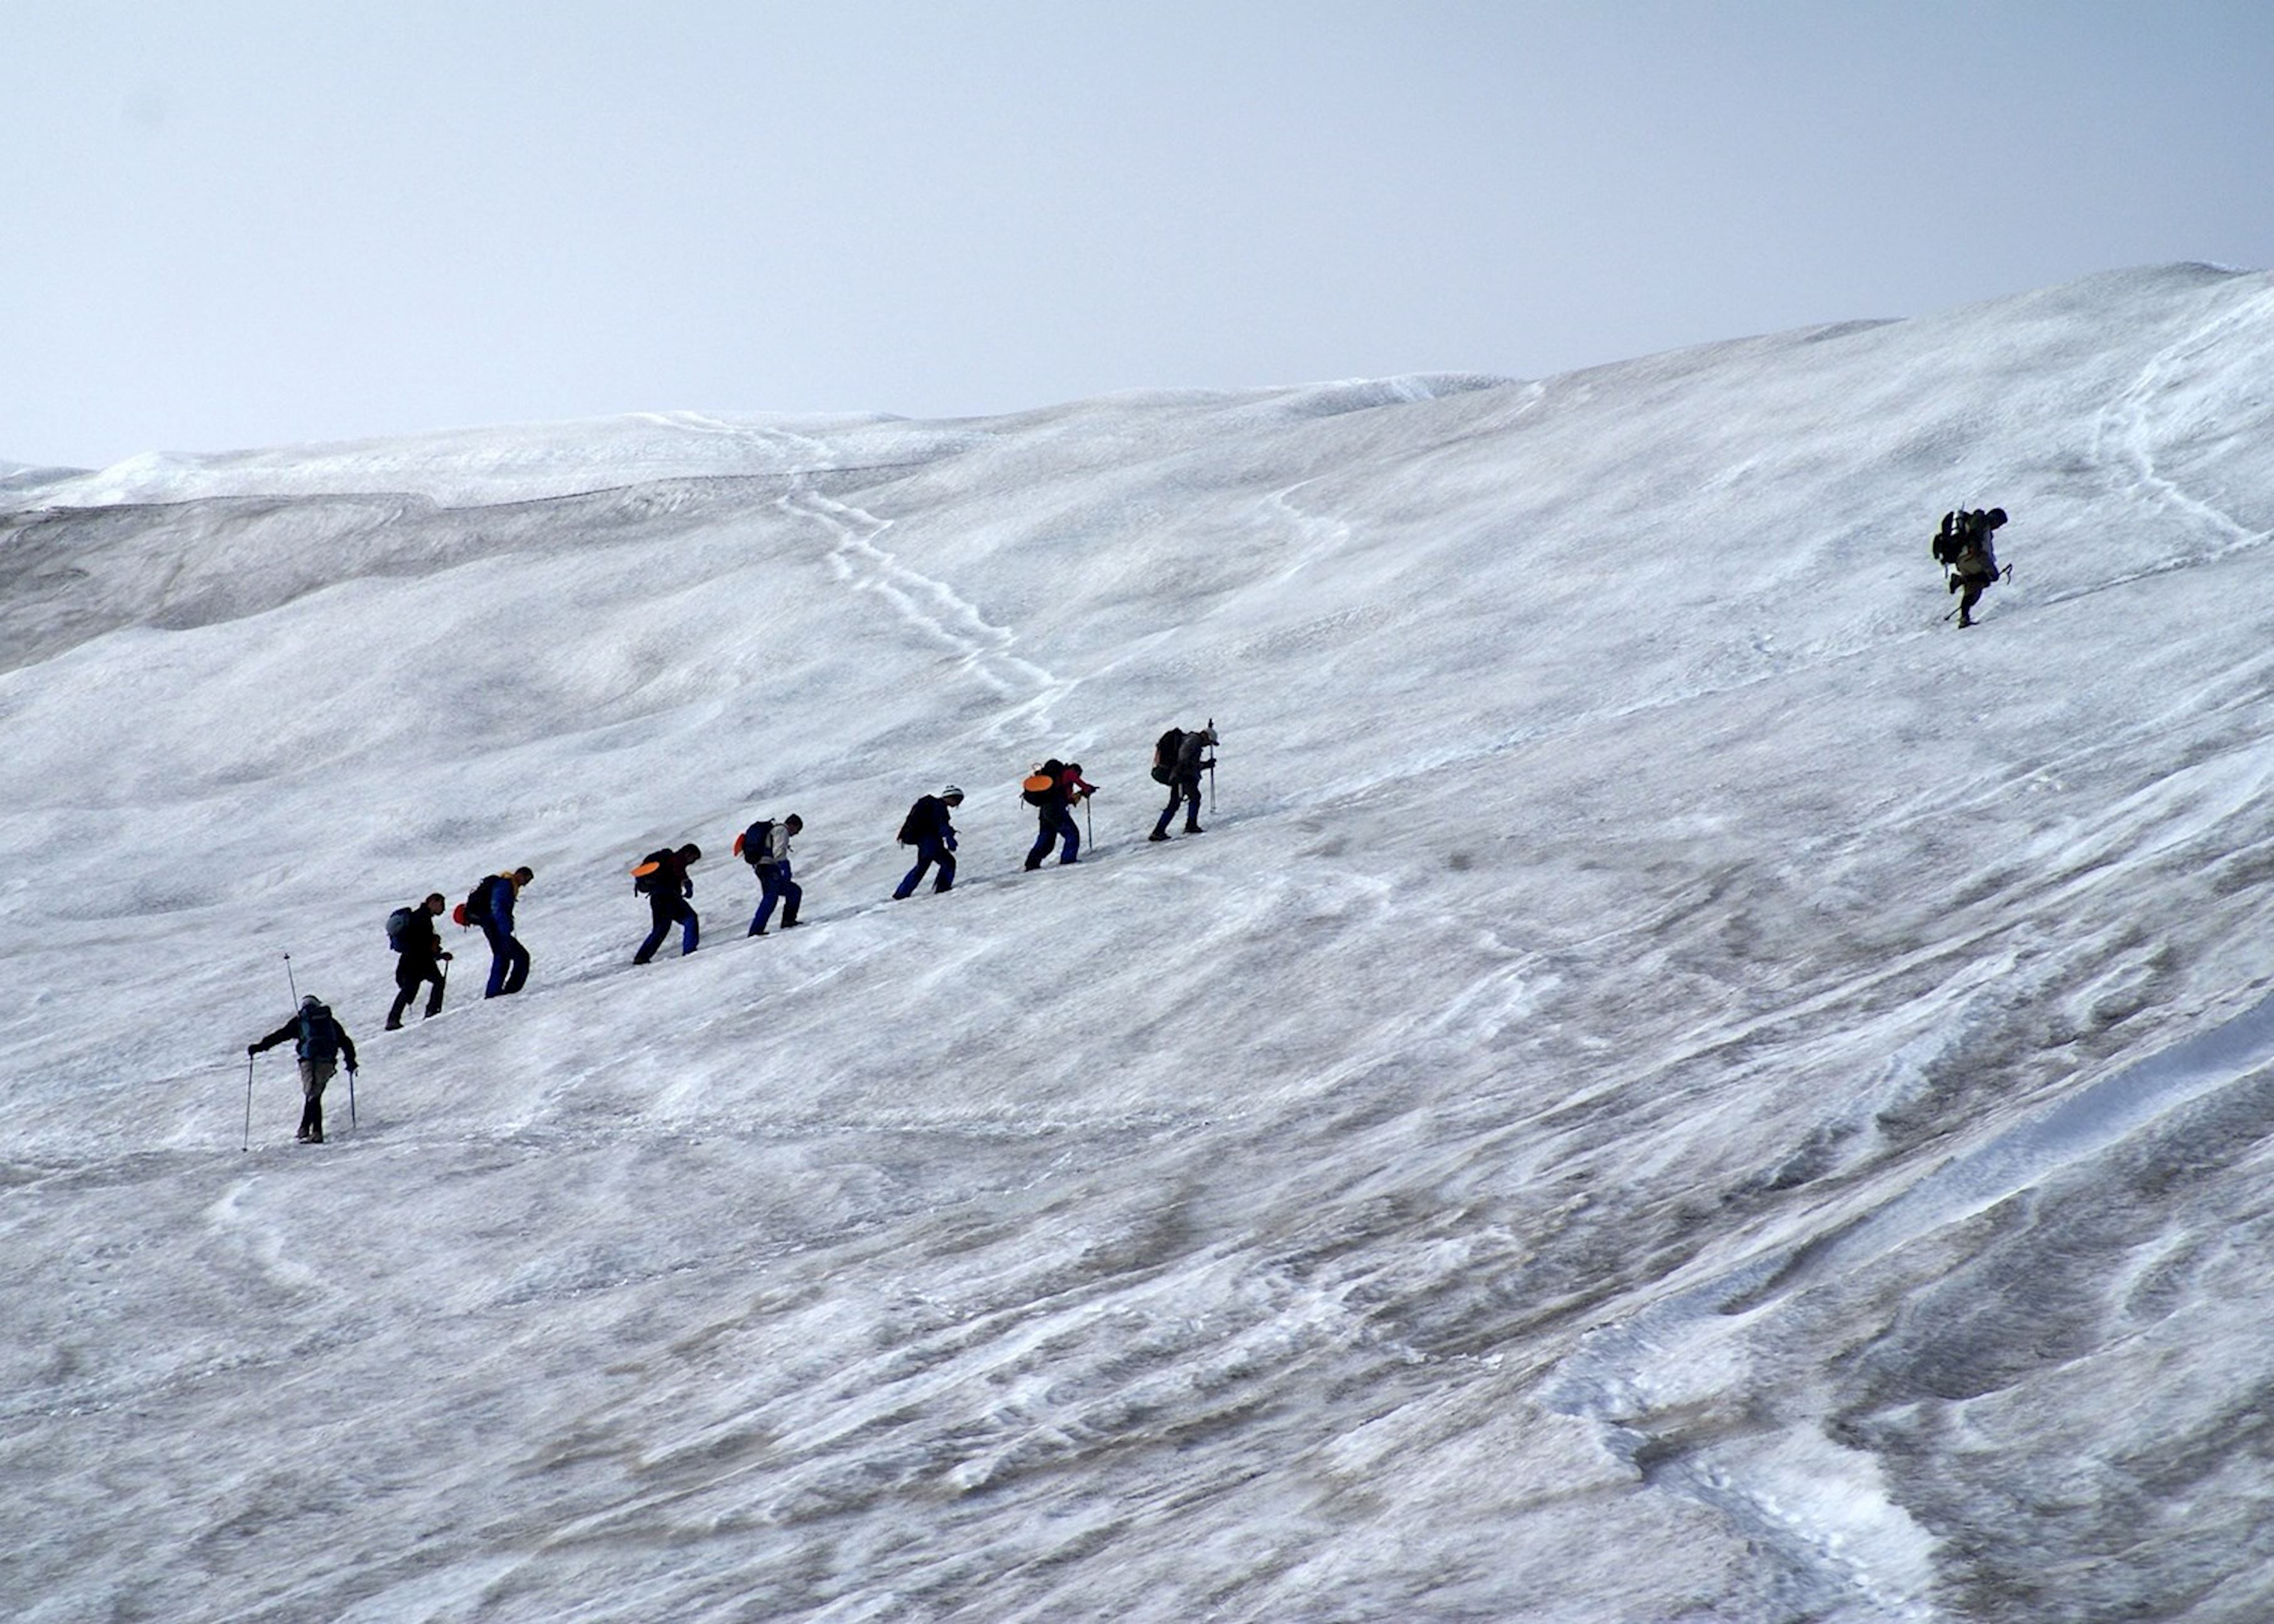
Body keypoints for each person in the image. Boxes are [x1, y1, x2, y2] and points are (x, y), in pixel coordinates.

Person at [249, 995, 359, 1144]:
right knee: (315, 1093)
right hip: (326, 1062)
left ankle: (315, 1132)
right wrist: (351, 1061)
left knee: (311, 1094)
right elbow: (345, 1041)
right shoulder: (329, 1021)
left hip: (307, 1061)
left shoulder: (301, 1021)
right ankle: (305, 1129)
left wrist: (260, 1047)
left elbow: (280, 1036)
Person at [385, 893, 452, 1029]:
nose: (443, 909)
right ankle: (431, 1011)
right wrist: (437, 952)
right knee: (434, 983)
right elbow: (422, 943)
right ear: (433, 902)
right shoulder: (423, 918)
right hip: (417, 961)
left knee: (410, 989)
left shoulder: (420, 916)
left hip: (413, 960)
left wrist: (437, 952)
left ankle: (394, 1019)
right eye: (441, 904)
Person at [464, 866, 534, 997]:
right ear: (520, 875)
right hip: (496, 927)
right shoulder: (506, 885)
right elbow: (497, 906)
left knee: (504, 957)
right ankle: (502, 992)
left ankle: (496, 992)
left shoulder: (507, 884)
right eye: (526, 879)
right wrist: (505, 927)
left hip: (492, 926)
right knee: (517, 957)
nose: (525, 884)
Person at [1935, 506, 2008, 628]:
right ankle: (1959, 580)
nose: (1998, 527)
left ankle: (1964, 619)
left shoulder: (1977, 523)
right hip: (1972, 558)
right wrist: (1991, 570)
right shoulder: (1982, 523)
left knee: (1973, 590)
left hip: (1962, 561)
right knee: (1983, 579)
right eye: (1999, 523)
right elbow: (1979, 549)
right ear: (1995, 518)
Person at [631, 843, 702, 964]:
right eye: (693, 859)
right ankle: (690, 952)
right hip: (669, 897)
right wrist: (687, 883)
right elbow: (678, 869)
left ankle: (642, 956)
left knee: (661, 928)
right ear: (688, 854)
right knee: (690, 918)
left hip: (657, 898)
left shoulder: (667, 860)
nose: (692, 862)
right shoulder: (678, 859)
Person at [1148, 724, 1218, 842]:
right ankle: (1165, 830)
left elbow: (1188, 762)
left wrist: (1204, 765)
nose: (1208, 745)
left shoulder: (1192, 740)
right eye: (1210, 742)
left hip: (1179, 775)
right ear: (1206, 737)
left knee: (1185, 800)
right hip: (1180, 776)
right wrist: (1205, 765)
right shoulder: (1194, 741)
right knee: (1183, 801)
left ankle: (1163, 830)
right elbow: (1185, 761)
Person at [1023, 758, 1095, 870]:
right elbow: (1082, 785)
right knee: (1072, 833)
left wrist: (1080, 794)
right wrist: (1087, 789)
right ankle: (1068, 860)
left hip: (1045, 810)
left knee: (1046, 837)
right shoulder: (1069, 773)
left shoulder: (1055, 780)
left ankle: (1032, 863)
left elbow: (1067, 798)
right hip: (1056, 809)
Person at [894, 785, 963, 899]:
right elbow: (941, 825)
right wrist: (950, 838)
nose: (957, 804)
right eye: (958, 800)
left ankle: (902, 893)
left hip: (924, 840)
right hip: (929, 841)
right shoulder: (939, 807)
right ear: (951, 797)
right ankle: (942, 888)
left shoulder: (932, 805)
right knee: (948, 862)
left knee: (922, 866)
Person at [745, 814, 804, 935]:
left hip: (762, 866)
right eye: (797, 830)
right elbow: (779, 852)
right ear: (793, 825)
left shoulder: (774, 829)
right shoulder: (782, 830)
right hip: (769, 867)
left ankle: (787, 920)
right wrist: (785, 868)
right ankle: (756, 930)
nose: (796, 834)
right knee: (771, 897)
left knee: (793, 891)